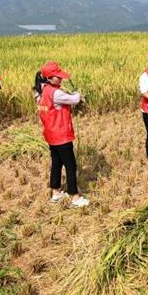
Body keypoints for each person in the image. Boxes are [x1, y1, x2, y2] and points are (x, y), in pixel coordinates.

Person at [37, 61, 90, 207]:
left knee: (56, 163)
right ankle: (75, 197)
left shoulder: (42, 91)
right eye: (58, 77)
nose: (61, 79)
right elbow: (75, 99)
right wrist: (77, 93)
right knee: (71, 165)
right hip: (61, 135)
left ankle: (56, 193)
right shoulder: (56, 94)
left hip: (50, 134)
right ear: (49, 78)